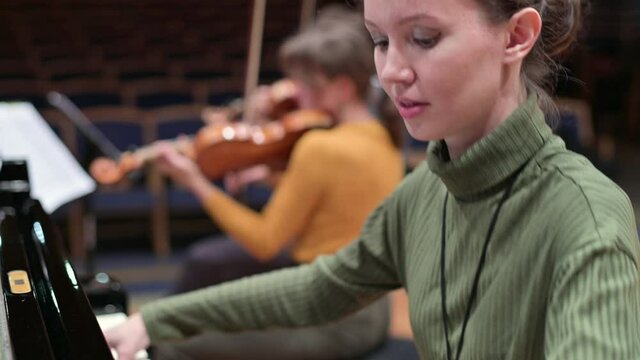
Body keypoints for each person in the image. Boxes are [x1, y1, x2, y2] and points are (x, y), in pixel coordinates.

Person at [105, 0, 640, 359]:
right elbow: (320, 286)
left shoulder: (587, 219)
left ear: (516, 37)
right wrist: (155, 320)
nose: (390, 73)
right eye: (380, 42)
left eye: (424, 38)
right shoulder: (425, 191)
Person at [121, 5, 406, 360]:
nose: (293, 94)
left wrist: (194, 181)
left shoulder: (321, 147)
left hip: (331, 316)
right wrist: (274, 178)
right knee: (209, 269)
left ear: (343, 88)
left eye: (305, 84)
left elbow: (265, 241)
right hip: (370, 308)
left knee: (171, 345)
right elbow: (338, 202)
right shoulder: (382, 136)